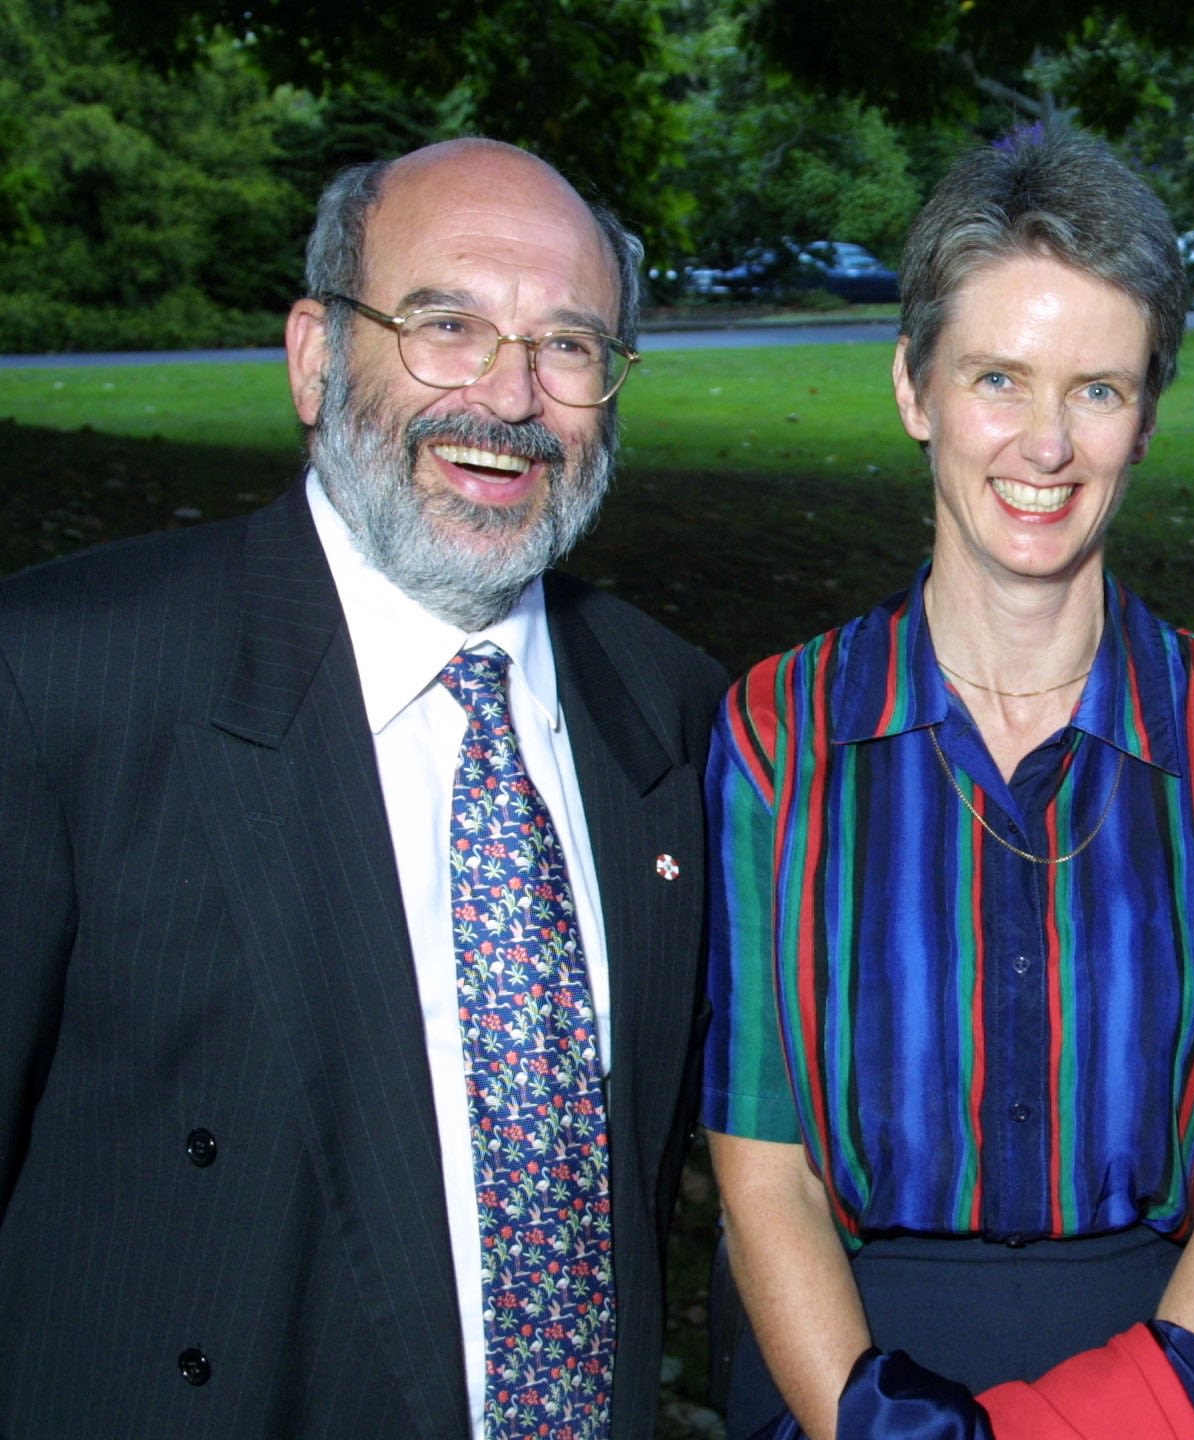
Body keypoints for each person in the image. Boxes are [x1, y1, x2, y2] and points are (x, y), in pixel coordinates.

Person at [0, 138, 727, 1439]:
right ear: (314, 354)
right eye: (446, 324)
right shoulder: (62, 685)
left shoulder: (672, 714)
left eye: (568, 345)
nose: (509, 399)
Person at [701, 128, 1194, 1440]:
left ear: (1148, 414)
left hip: (1181, 1362)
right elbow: (761, 1175)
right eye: (999, 378)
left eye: (1100, 390)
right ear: (915, 387)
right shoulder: (778, 732)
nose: (1047, 446)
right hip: (841, 1370)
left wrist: (1115, 1421)